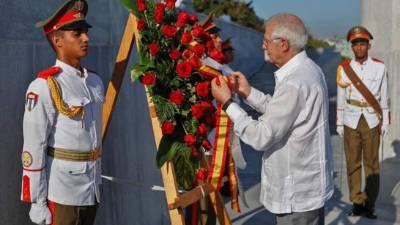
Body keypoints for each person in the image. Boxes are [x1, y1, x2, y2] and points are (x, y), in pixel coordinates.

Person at [211, 13, 334, 225]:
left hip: (295, 195)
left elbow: (262, 136)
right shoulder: (308, 70)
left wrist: (228, 104)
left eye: (266, 41)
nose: (263, 46)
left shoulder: (295, 82)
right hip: (304, 190)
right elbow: (282, 112)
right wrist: (248, 92)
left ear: (283, 44)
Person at [21, 1, 104, 224]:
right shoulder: (44, 86)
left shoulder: (95, 82)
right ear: (57, 40)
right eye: (77, 34)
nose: (85, 38)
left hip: (92, 188)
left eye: (85, 32)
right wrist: (37, 202)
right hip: (63, 192)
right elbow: (33, 147)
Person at [336, 26, 389, 219]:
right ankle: (357, 202)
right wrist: (340, 123)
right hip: (351, 119)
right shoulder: (344, 68)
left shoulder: (380, 67)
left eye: (362, 44)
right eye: (356, 44)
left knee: (372, 165)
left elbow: (384, 96)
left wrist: (385, 121)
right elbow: (341, 96)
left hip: (371, 119)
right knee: (352, 163)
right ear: (352, 47)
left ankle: (370, 203)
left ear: (369, 45)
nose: (359, 48)